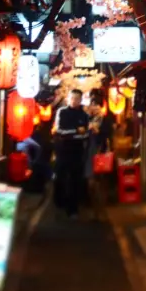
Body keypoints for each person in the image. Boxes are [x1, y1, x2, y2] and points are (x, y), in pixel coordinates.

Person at [52, 89, 89, 219]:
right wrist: (75, 132)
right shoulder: (62, 112)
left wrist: (77, 134)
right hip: (63, 149)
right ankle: (59, 203)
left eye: (77, 99)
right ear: (68, 99)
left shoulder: (84, 115)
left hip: (77, 151)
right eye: (72, 98)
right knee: (60, 177)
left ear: (81, 100)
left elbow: (85, 133)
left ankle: (73, 209)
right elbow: (59, 131)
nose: (75, 101)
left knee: (75, 180)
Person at [85, 93, 113, 220]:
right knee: (91, 182)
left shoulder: (105, 120)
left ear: (101, 107)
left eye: (96, 105)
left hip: (101, 152)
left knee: (101, 181)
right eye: (92, 104)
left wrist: (99, 132)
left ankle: (101, 210)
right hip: (89, 152)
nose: (94, 107)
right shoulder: (86, 120)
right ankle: (94, 209)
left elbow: (108, 135)